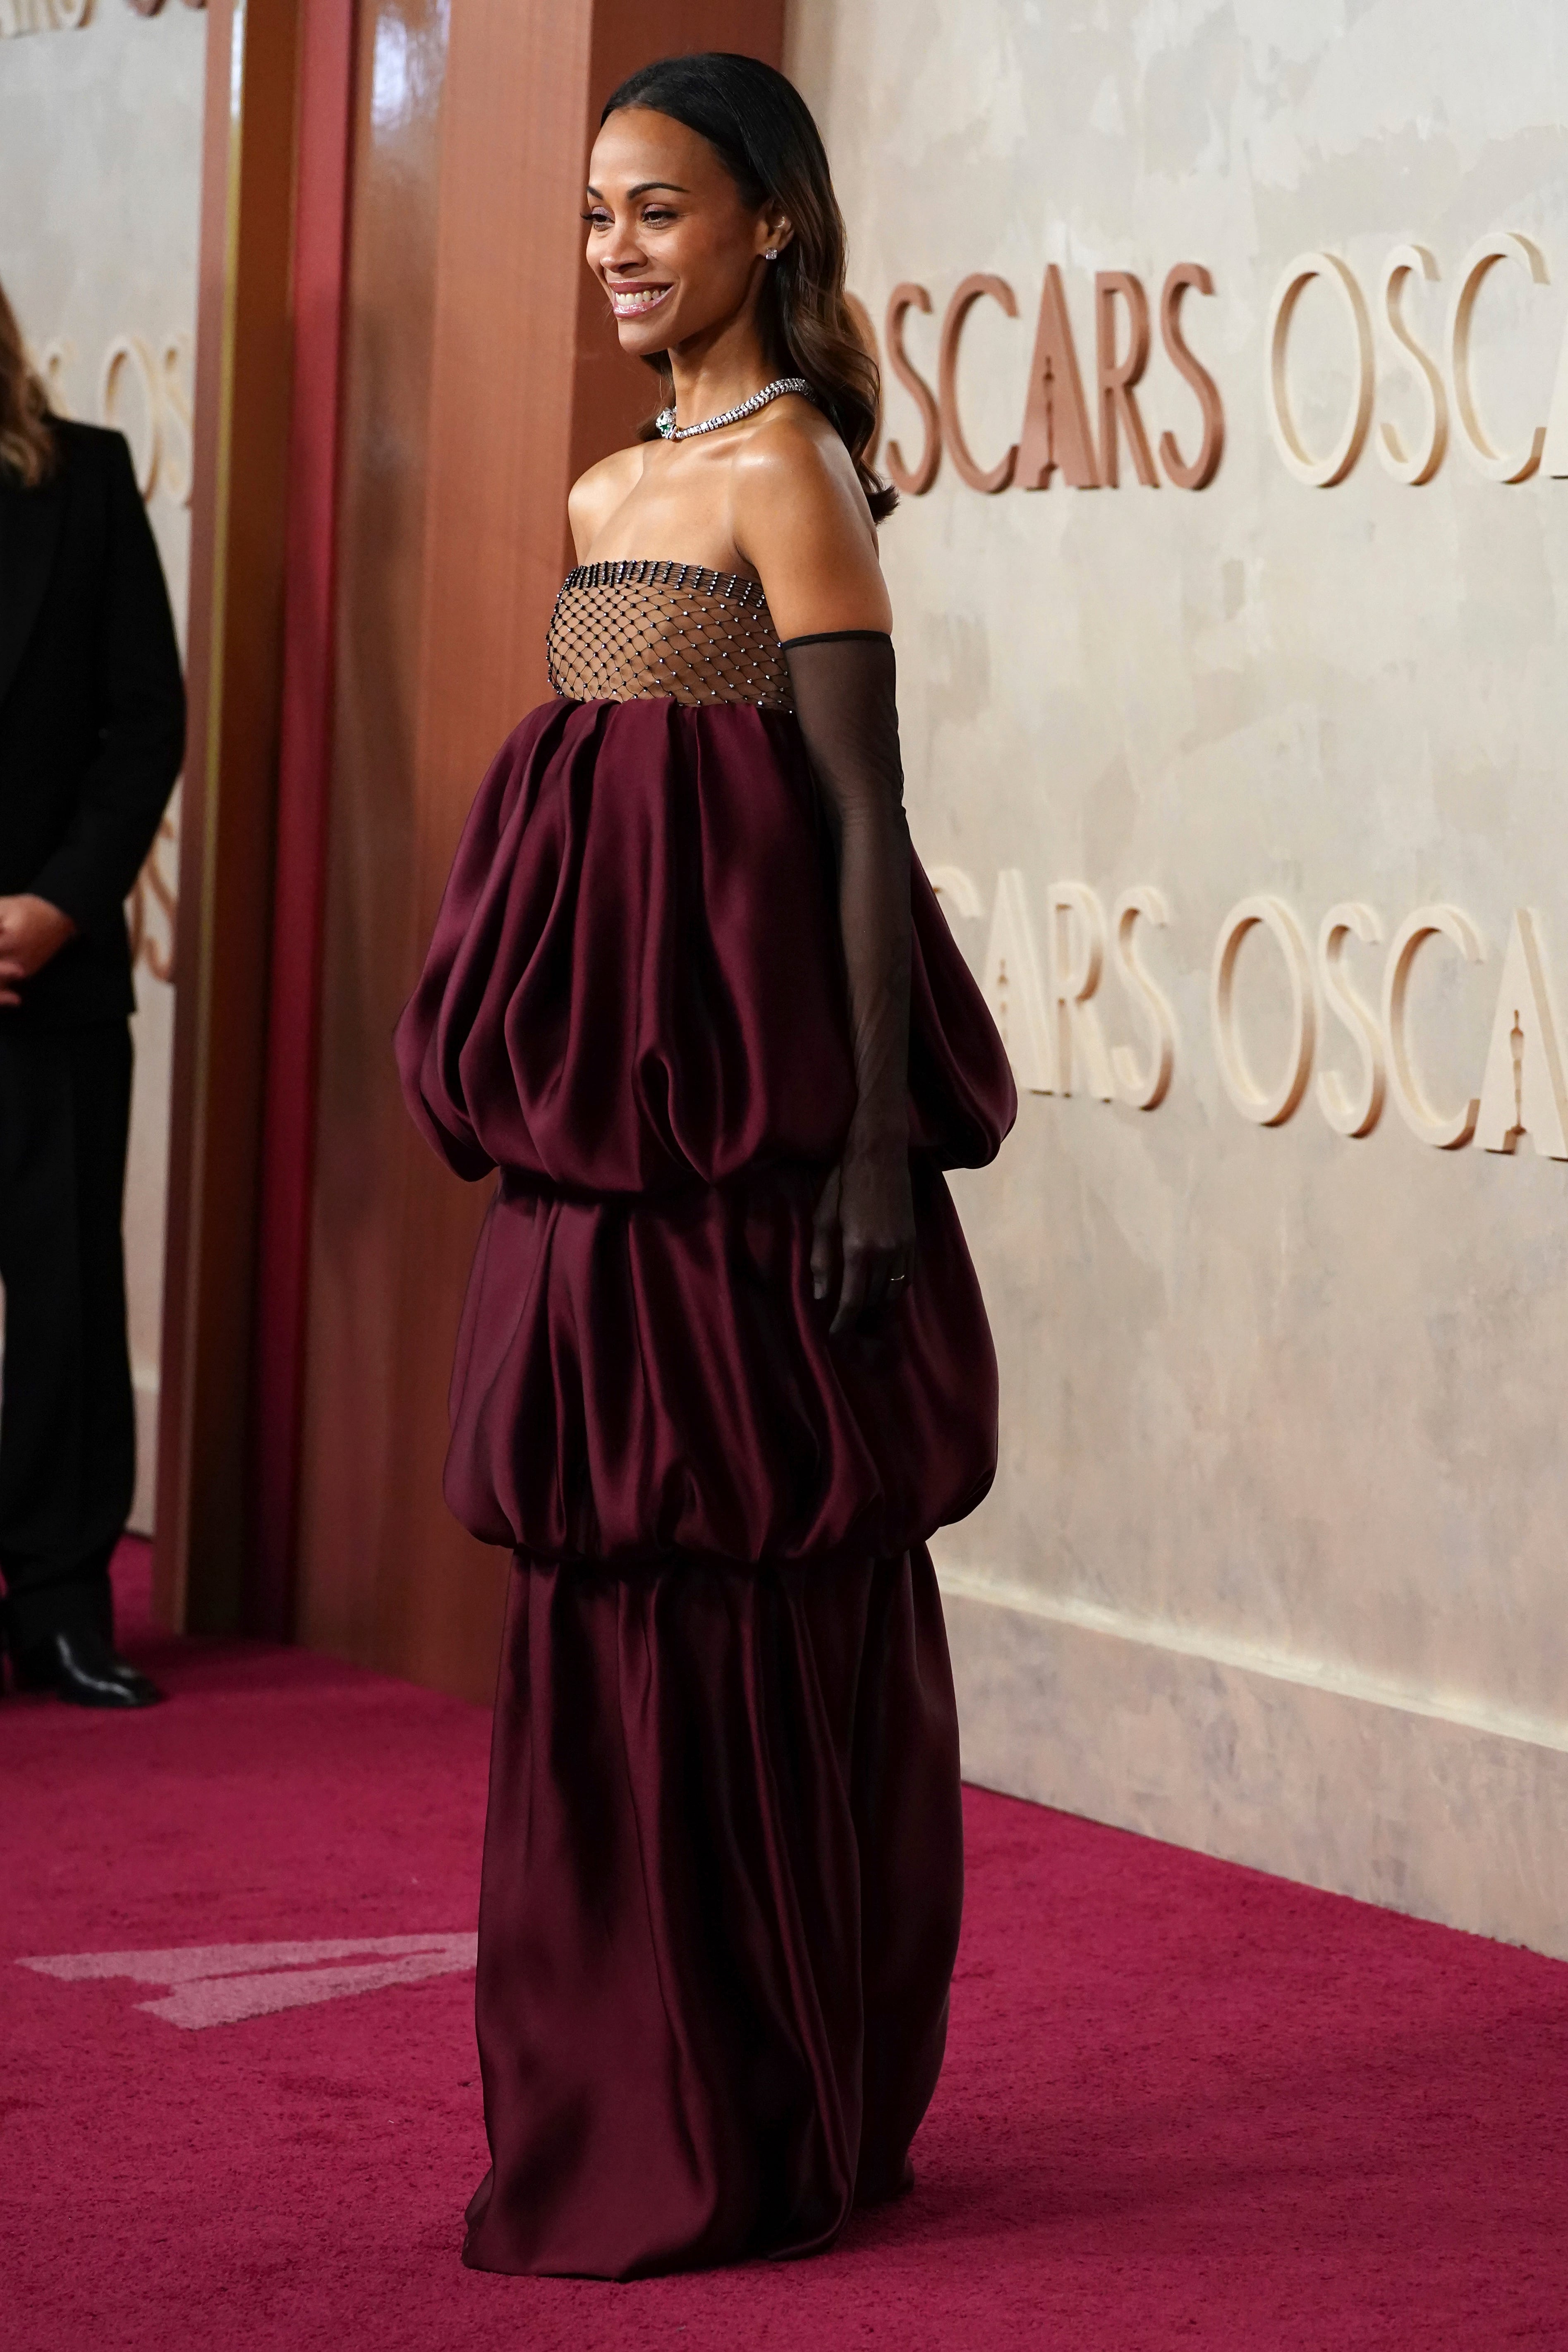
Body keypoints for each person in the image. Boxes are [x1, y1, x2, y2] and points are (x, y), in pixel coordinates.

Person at [396, 52, 1015, 2278]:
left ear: (769, 218)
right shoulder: (594, 493)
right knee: (600, 1602)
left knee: (751, 1603)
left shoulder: (797, 477)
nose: (618, 255)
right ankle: (617, 2089)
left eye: (657, 210)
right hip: (604, 1159)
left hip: (759, 1157)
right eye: (592, 217)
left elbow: (862, 824)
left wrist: (870, 1149)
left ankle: (761, 2104)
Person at [0, 280, 184, 1709]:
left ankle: (64, 1608)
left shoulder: (88, 476)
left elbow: (146, 720)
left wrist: (60, 906)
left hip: (48, 978)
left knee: (64, 1297)